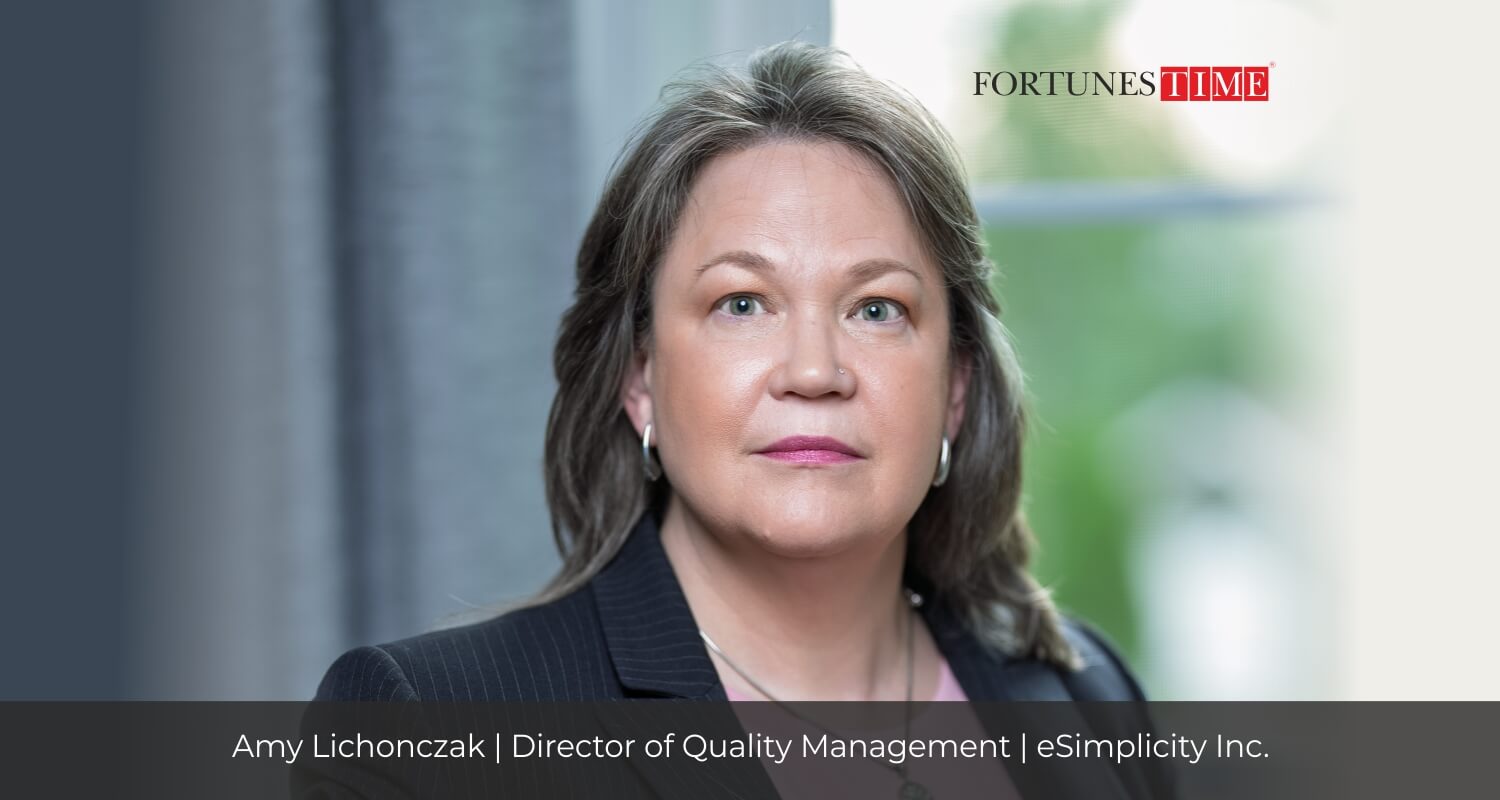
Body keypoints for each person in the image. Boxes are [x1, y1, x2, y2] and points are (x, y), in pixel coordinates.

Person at [311, 41, 1170, 799]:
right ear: (639, 377)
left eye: (877, 309)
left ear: (955, 385)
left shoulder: (1088, 696)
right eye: (742, 303)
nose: (813, 373)